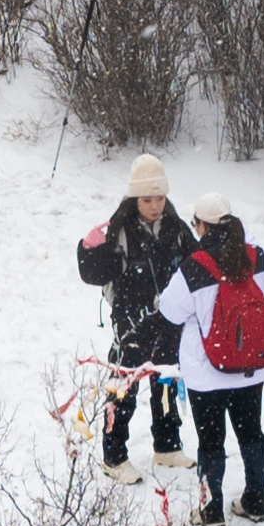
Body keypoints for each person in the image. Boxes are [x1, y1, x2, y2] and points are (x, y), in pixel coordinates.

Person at [72, 155, 194, 466]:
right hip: (130, 319)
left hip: (169, 317)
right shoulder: (120, 230)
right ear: (135, 198)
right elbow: (93, 275)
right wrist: (89, 249)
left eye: (160, 198)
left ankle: (167, 447)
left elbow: (196, 265)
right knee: (124, 385)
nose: (155, 206)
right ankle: (114, 458)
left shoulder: (176, 228)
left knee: (166, 380)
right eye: (147, 199)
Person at [172, 214, 264, 526]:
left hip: (208, 370)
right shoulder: (257, 258)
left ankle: (211, 509)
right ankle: (256, 502)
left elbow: (170, 308)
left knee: (211, 440)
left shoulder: (195, 265)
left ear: (203, 226)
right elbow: (259, 255)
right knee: (251, 434)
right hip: (250, 366)